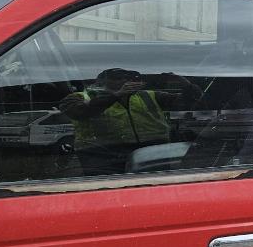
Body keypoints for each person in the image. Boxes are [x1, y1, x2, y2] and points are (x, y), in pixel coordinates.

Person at [60, 68, 201, 176]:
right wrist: (116, 96)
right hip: (102, 156)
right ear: (100, 82)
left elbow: (191, 102)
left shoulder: (149, 95)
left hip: (152, 153)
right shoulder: (79, 97)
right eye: (117, 77)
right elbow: (77, 111)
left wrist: (186, 84)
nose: (124, 80)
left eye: (127, 77)